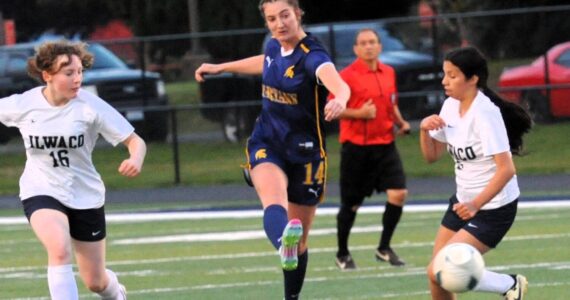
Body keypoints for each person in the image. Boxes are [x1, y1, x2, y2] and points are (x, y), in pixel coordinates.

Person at [195, 0, 349, 298]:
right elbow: (264, 61)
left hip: (306, 154)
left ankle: (291, 290)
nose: (279, 23)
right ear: (266, 22)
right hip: (267, 142)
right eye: (271, 18)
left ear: (298, 14)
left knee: (301, 242)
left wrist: (340, 98)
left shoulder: (312, 56)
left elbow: (337, 82)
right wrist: (222, 67)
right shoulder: (273, 46)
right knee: (273, 199)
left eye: (285, 16)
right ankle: (282, 242)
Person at [0, 40, 146, 299]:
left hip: (84, 195)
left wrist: (135, 159)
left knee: (96, 282)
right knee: (58, 249)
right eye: (69, 73)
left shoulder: (90, 106)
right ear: (47, 75)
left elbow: (135, 141)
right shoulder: (24, 104)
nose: (77, 79)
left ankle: (117, 292)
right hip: (40, 189)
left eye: (80, 72)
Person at [420, 46, 531, 300]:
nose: (444, 81)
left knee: (443, 269)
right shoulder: (449, 106)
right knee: (435, 275)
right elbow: (431, 156)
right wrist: (424, 130)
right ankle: (509, 285)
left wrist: (475, 204)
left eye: (452, 75)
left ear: (473, 79)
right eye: (444, 74)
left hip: (494, 208)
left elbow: (506, 169)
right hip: (463, 202)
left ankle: (508, 284)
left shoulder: (485, 114)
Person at [331, 28, 410, 270]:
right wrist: (360, 113)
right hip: (356, 149)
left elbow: (390, 102)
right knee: (351, 204)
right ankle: (342, 252)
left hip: (385, 145)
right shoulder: (346, 75)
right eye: (363, 43)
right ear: (355, 49)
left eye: (373, 42)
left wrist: (401, 122)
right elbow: (332, 108)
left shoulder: (389, 72)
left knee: (398, 193)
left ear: (379, 46)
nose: (368, 46)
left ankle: (383, 247)